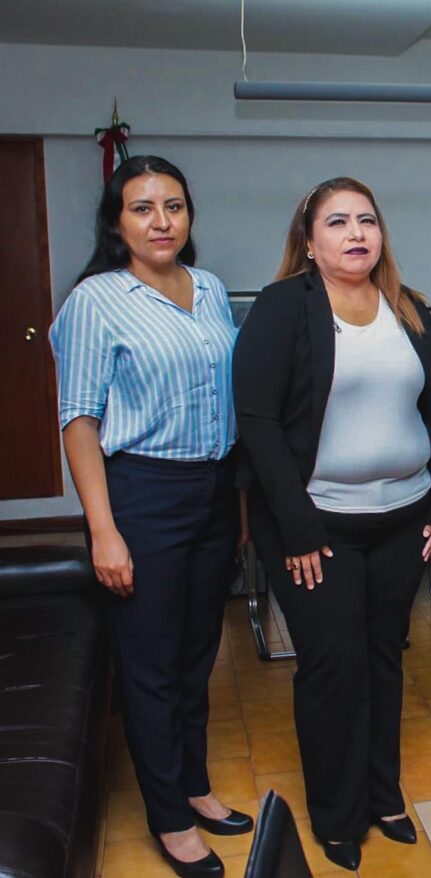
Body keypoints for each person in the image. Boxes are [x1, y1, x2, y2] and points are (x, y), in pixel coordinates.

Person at [232, 177, 431, 872]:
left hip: (403, 521)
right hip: (316, 527)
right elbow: (258, 424)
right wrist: (297, 528)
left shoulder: (410, 308)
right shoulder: (283, 307)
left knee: (384, 656)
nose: (356, 233)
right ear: (308, 240)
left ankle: (383, 795)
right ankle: (337, 814)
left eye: (367, 220)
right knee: (333, 665)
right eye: (337, 222)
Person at [49, 155, 251, 878]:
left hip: (213, 490)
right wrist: (104, 530)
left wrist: (236, 506)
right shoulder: (96, 300)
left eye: (173, 206)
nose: (161, 221)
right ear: (116, 222)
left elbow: (229, 403)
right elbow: (79, 421)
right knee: (150, 666)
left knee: (197, 658)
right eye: (142, 208)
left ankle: (193, 785)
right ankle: (169, 818)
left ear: (189, 215)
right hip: (141, 495)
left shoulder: (211, 288)